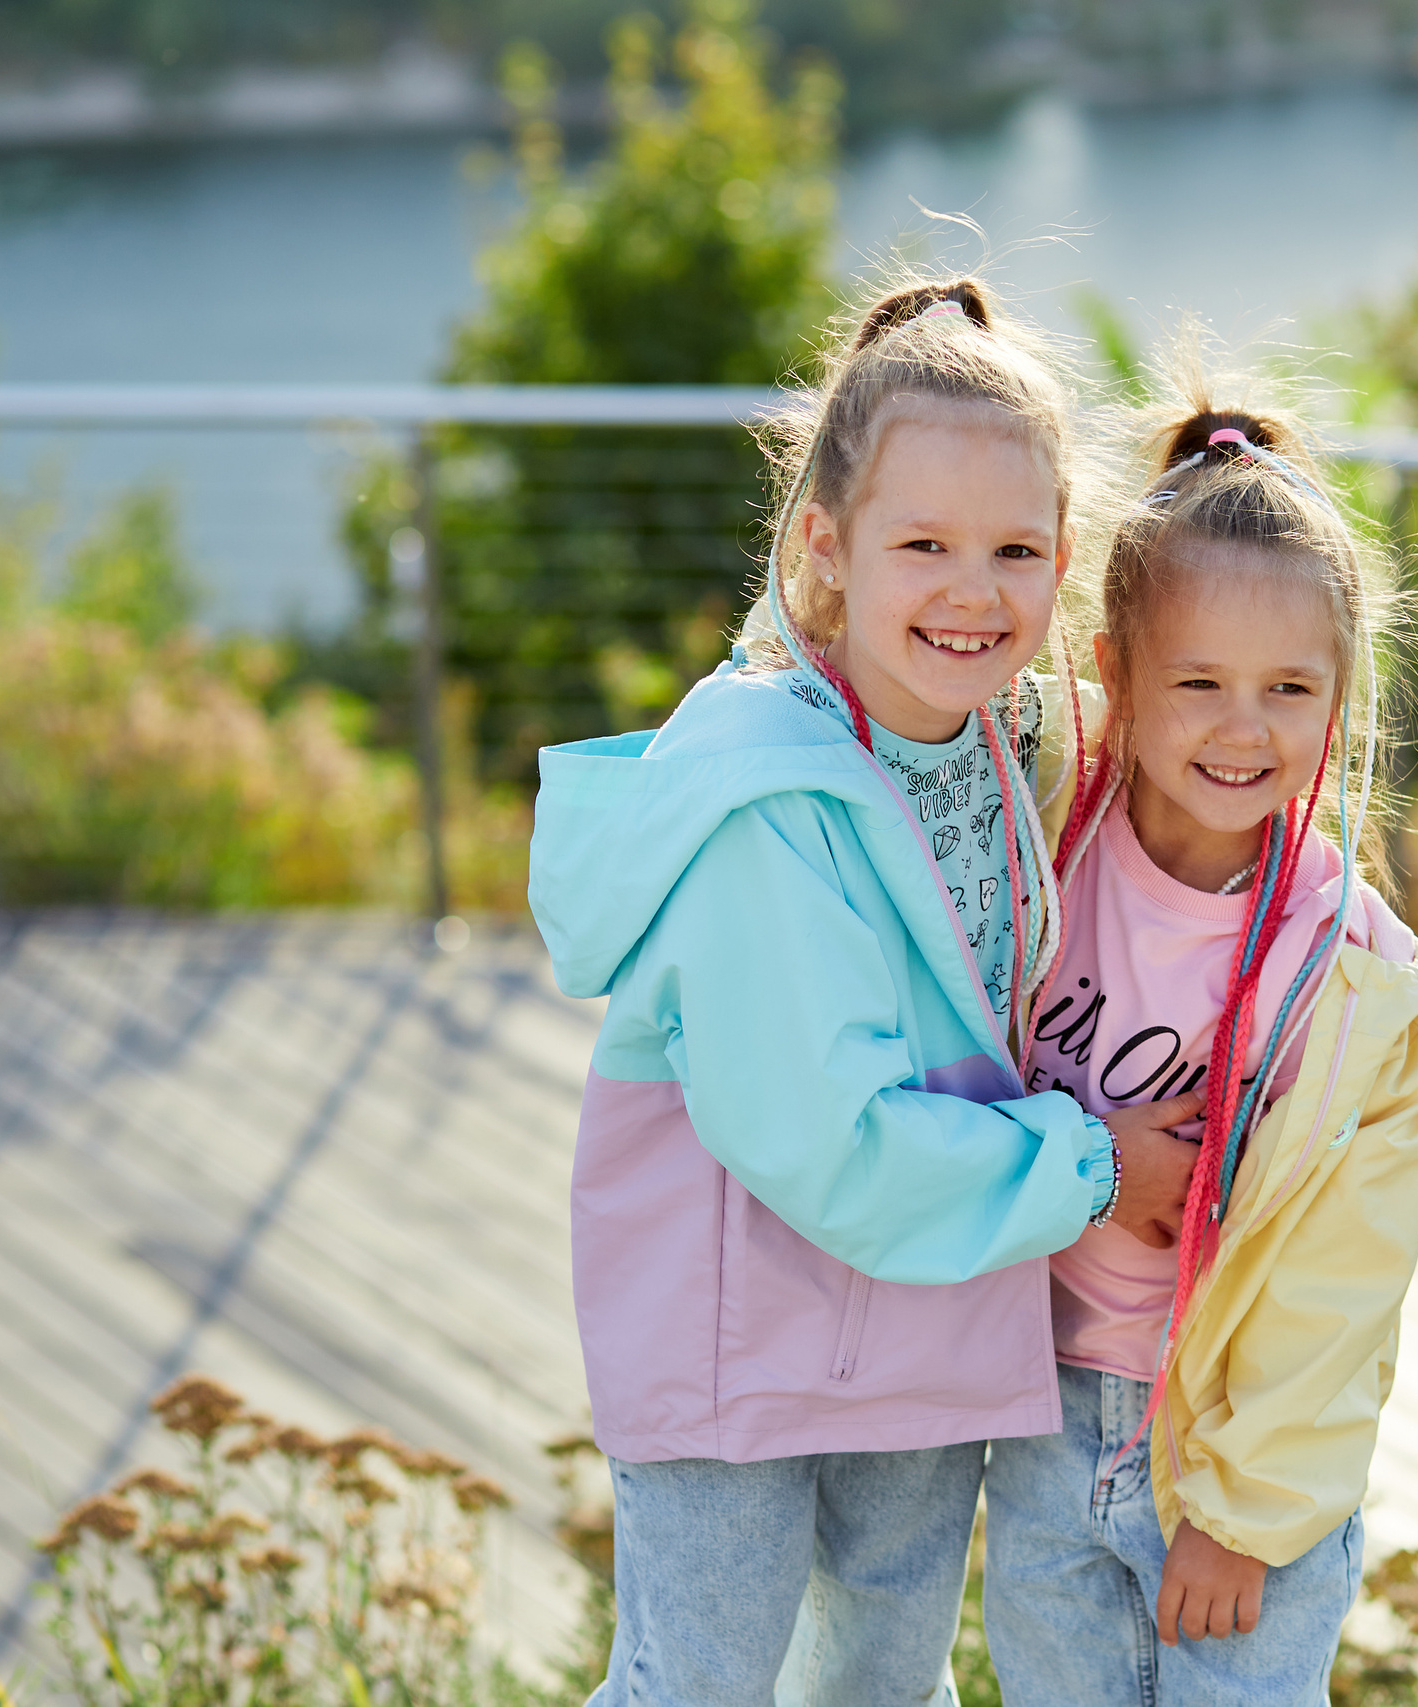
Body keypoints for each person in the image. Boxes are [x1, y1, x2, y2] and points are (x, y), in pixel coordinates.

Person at [526, 277, 1203, 1706]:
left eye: (1016, 549)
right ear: (827, 549)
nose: (974, 591)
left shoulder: (1010, 742)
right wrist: (1092, 1167)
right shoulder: (765, 799)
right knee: (699, 1688)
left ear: (1063, 555)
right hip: (741, 1341)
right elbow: (823, 1137)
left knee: (884, 1686)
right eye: (924, 545)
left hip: (929, 1309)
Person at [983, 385, 1418, 1705]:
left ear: (1337, 694)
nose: (1243, 729)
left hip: (1229, 1459)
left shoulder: (1354, 979)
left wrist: (1244, 1513)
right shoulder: (1038, 855)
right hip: (1040, 1425)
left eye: (1288, 690)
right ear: (1115, 674)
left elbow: (1343, 1282)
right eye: (1198, 682)